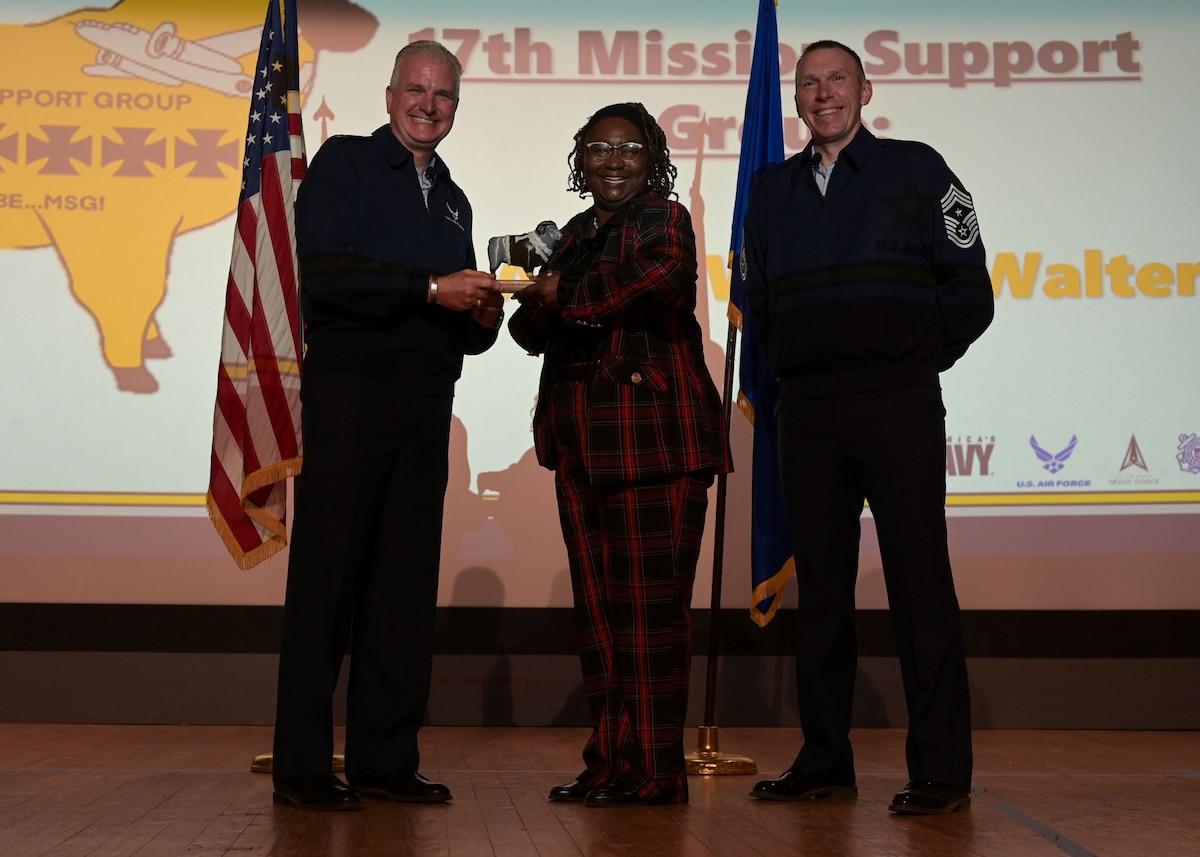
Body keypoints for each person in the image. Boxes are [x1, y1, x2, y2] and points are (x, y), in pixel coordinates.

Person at [742, 40, 994, 815]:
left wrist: (908, 358)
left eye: (837, 79)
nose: (824, 94)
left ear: (866, 88)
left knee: (921, 585)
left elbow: (971, 291)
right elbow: (761, 309)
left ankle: (941, 770)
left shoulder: (917, 168)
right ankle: (825, 760)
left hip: (897, 404)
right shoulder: (770, 189)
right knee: (822, 594)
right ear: (797, 100)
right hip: (807, 412)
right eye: (809, 83)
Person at [271, 40, 503, 811]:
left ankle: (385, 757)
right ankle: (304, 764)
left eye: (443, 96)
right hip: (350, 397)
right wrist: (429, 286)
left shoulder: (455, 199)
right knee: (327, 580)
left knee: (402, 587)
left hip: (426, 404)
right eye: (416, 89)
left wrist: (484, 312)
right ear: (390, 92)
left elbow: (454, 323)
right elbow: (327, 277)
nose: (428, 105)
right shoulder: (344, 164)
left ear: (455, 108)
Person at [509, 103, 732, 807]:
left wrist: (556, 294)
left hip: (652, 443)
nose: (612, 160)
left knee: (650, 616)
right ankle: (609, 762)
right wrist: (529, 295)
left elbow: (650, 284)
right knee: (601, 616)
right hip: (579, 443)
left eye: (628, 148)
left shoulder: (664, 219)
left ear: (652, 157)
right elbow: (527, 330)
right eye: (598, 148)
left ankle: (656, 772)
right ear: (581, 157)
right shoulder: (574, 233)